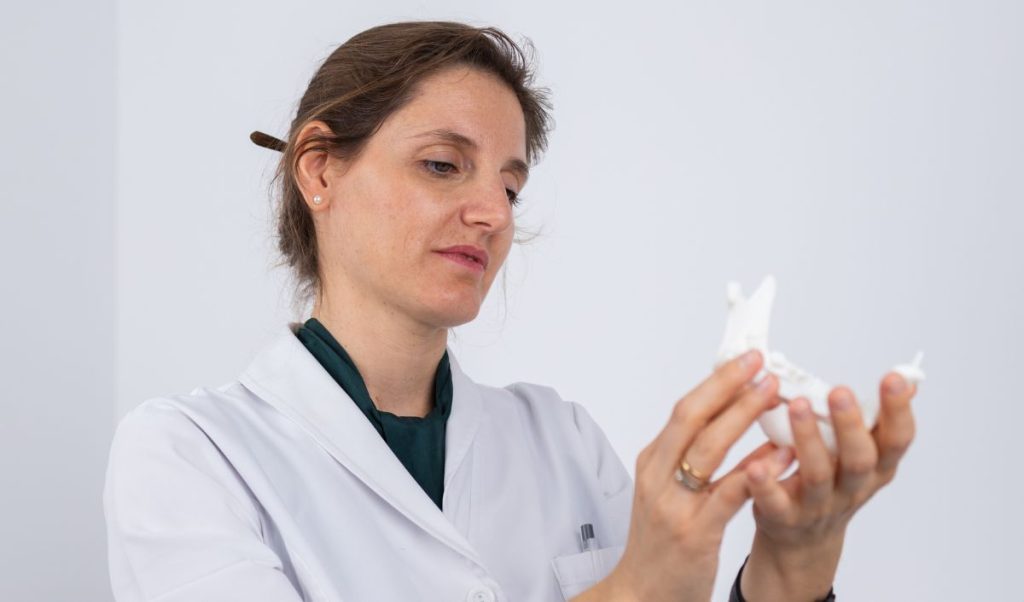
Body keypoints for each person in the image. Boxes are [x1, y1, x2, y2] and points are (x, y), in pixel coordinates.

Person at [102, 21, 918, 602]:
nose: (493, 212)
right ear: (319, 170)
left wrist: (792, 568)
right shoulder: (190, 455)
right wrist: (631, 592)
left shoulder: (561, 442)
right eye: (442, 165)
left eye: (511, 185)